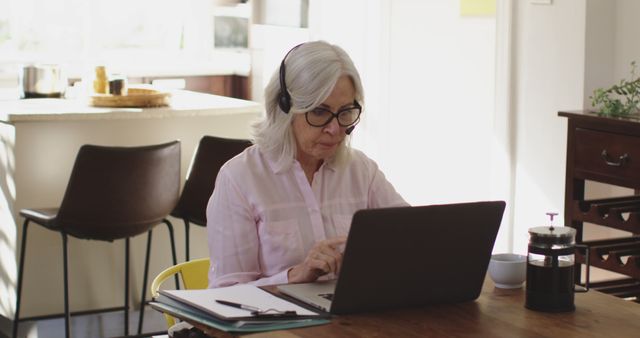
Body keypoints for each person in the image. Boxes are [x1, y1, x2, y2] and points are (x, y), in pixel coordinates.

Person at [206, 40, 407, 288]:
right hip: (274, 324)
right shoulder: (239, 178)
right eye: (320, 112)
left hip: (350, 320)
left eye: (346, 112)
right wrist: (295, 275)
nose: (335, 129)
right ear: (284, 107)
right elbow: (224, 296)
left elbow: (411, 237)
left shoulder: (362, 171)